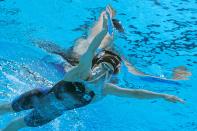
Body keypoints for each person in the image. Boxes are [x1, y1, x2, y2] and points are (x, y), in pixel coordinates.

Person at [0, 5, 189, 131]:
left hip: (50, 112)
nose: (100, 72)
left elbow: (135, 93)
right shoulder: (83, 72)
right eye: (100, 67)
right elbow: (91, 49)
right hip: (40, 96)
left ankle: (108, 25)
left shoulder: (105, 87)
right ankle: (106, 20)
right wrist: (106, 26)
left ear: (110, 72)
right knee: (8, 108)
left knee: (20, 123)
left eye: (106, 70)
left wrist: (163, 95)